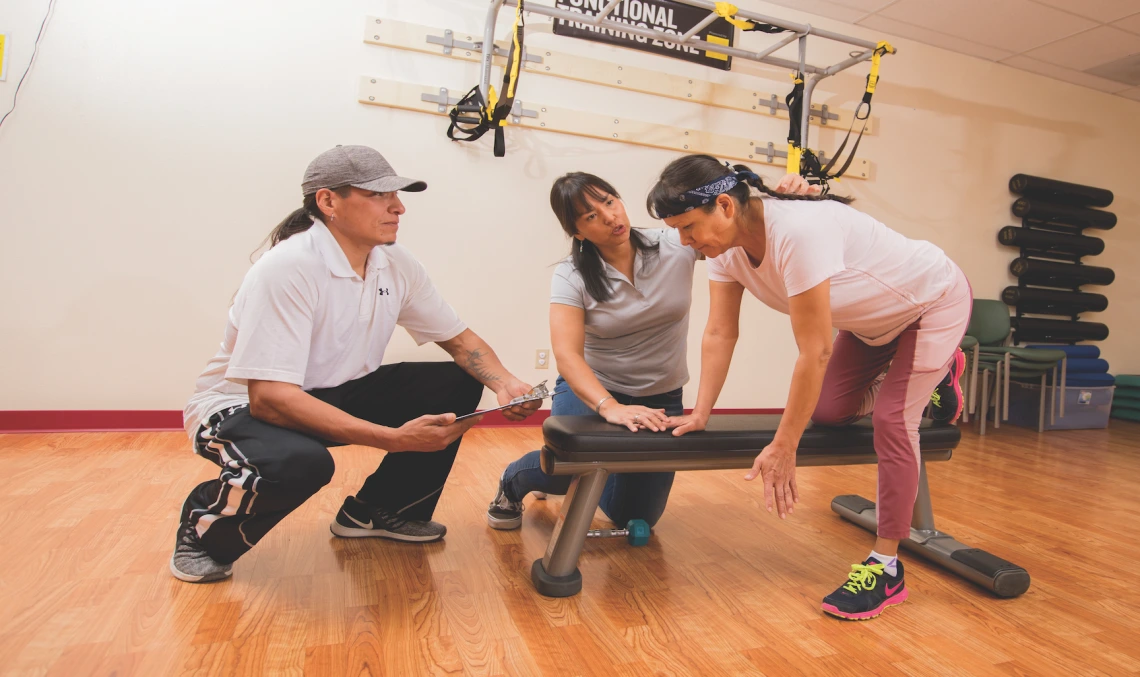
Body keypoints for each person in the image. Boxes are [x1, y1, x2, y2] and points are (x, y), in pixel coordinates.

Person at [172, 145, 540, 583]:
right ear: (328, 202)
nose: (399, 207)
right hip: (239, 409)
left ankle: (378, 511)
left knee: (455, 381)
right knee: (302, 465)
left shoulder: (395, 264)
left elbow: (459, 340)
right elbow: (270, 400)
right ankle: (203, 532)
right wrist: (391, 439)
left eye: (398, 197)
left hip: (332, 391)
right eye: (380, 196)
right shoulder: (288, 268)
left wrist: (507, 383)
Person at [648, 155, 968, 621]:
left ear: (724, 206)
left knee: (893, 419)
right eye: (676, 230)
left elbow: (814, 351)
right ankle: (933, 375)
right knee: (832, 412)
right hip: (869, 326)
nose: (685, 241)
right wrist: (701, 411)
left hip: (929, 304)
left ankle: (886, 565)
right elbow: (720, 332)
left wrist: (784, 443)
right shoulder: (727, 252)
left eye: (689, 227)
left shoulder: (797, 233)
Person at [485, 171, 812, 532]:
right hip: (596, 390)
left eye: (609, 202)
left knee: (635, 517)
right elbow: (568, 356)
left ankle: (598, 472)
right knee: (570, 471)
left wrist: (779, 204)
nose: (610, 217)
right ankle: (515, 480)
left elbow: (729, 229)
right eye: (591, 216)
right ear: (577, 232)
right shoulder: (571, 275)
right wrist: (610, 408)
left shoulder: (675, 244)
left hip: (661, 395)